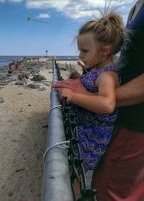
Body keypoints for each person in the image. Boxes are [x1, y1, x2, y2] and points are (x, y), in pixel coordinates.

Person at [90, 0, 144, 200]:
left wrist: (91, 97)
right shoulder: (136, 8)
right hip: (126, 125)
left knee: (109, 191)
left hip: (137, 130)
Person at [53, 12, 125, 172]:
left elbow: (107, 104)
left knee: (74, 171)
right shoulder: (96, 70)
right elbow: (90, 85)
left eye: (85, 51)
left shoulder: (106, 75)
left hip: (92, 138)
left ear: (105, 51)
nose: (80, 55)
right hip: (84, 128)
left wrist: (72, 96)